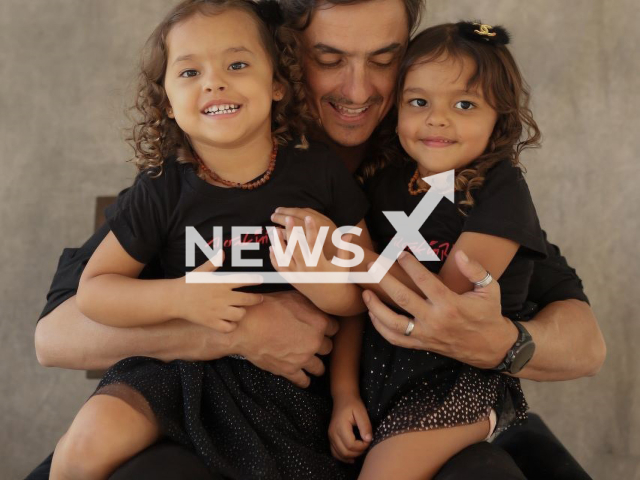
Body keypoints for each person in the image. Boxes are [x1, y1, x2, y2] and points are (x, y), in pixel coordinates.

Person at [30, 1, 605, 479]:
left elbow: (584, 340)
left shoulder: (440, 172)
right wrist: (237, 330)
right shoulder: (212, 163)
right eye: (329, 59)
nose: (358, 88)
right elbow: (56, 336)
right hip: (212, 405)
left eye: (384, 60)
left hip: (410, 409)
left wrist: (503, 343)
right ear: (284, 63)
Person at [48, 1, 373, 479]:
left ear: (277, 82)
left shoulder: (320, 174)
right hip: (175, 369)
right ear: (167, 103)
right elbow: (95, 291)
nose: (214, 81)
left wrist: (321, 281)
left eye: (237, 64)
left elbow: (362, 294)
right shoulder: (161, 187)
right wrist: (182, 296)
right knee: (88, 438)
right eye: (189, 71)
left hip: (286, 385)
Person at [326, 21, 547, 478]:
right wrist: (344, 392)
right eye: (419, 102)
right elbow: (356, 305)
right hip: (374, 376)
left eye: (464, 104)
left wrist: (356, 260)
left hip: (452, 382)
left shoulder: (499, 190)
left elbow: (443, 305)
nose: (437, 118)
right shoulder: (381, 181)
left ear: (499, 118)